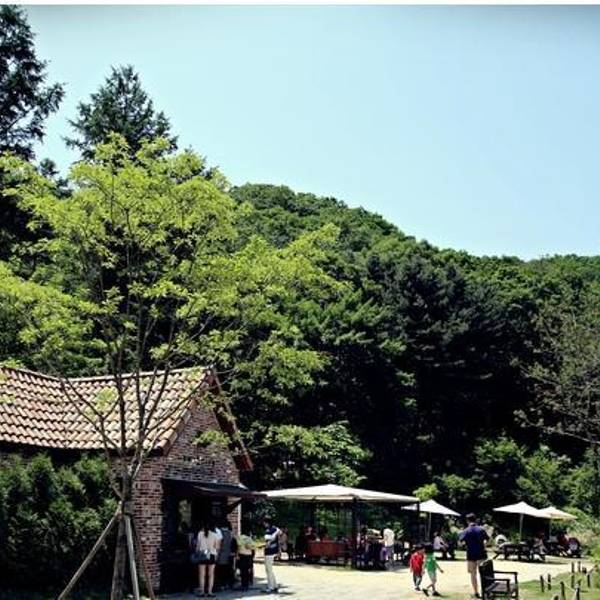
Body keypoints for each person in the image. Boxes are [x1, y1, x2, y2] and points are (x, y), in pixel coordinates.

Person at [459, 513, 489, 599]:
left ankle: (476, 592)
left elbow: (461, 543)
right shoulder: (481, 529)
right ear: (476, 520)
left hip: (471, 554)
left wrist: (466, 544)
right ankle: (485, 591)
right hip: (481, 554)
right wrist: (484, 546)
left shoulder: (466, 531)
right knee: (483, 574)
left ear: (467, 521)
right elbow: (487, 540)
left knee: (473, 574)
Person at [197, 522, 221, 598]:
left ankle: (202, 591)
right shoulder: (215, 535)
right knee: (211, 574)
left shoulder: (200, 534)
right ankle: (210, 592)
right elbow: (217, 547)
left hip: (203, 554)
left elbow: (198, 546)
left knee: (202, 574)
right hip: (211, 555)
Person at [216, 520, 237, 590]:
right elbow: (234, 543)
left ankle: (222, 584)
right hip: (230, 555)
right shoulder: (231, 533)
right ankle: (229, 584)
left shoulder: (219, 533)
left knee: (221, 570)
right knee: (229, 570)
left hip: (221, 554)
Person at [263, 518, 280, 594]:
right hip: (273, 550)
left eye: (264, 523)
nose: (264, 524)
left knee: (268, 570)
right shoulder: (275, 529)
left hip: (269, 552)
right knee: (270, 569)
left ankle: (270, 587)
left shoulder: (269, 530)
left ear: (267, 523)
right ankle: (274, 585)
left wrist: (264, 545)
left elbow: (268, 542)